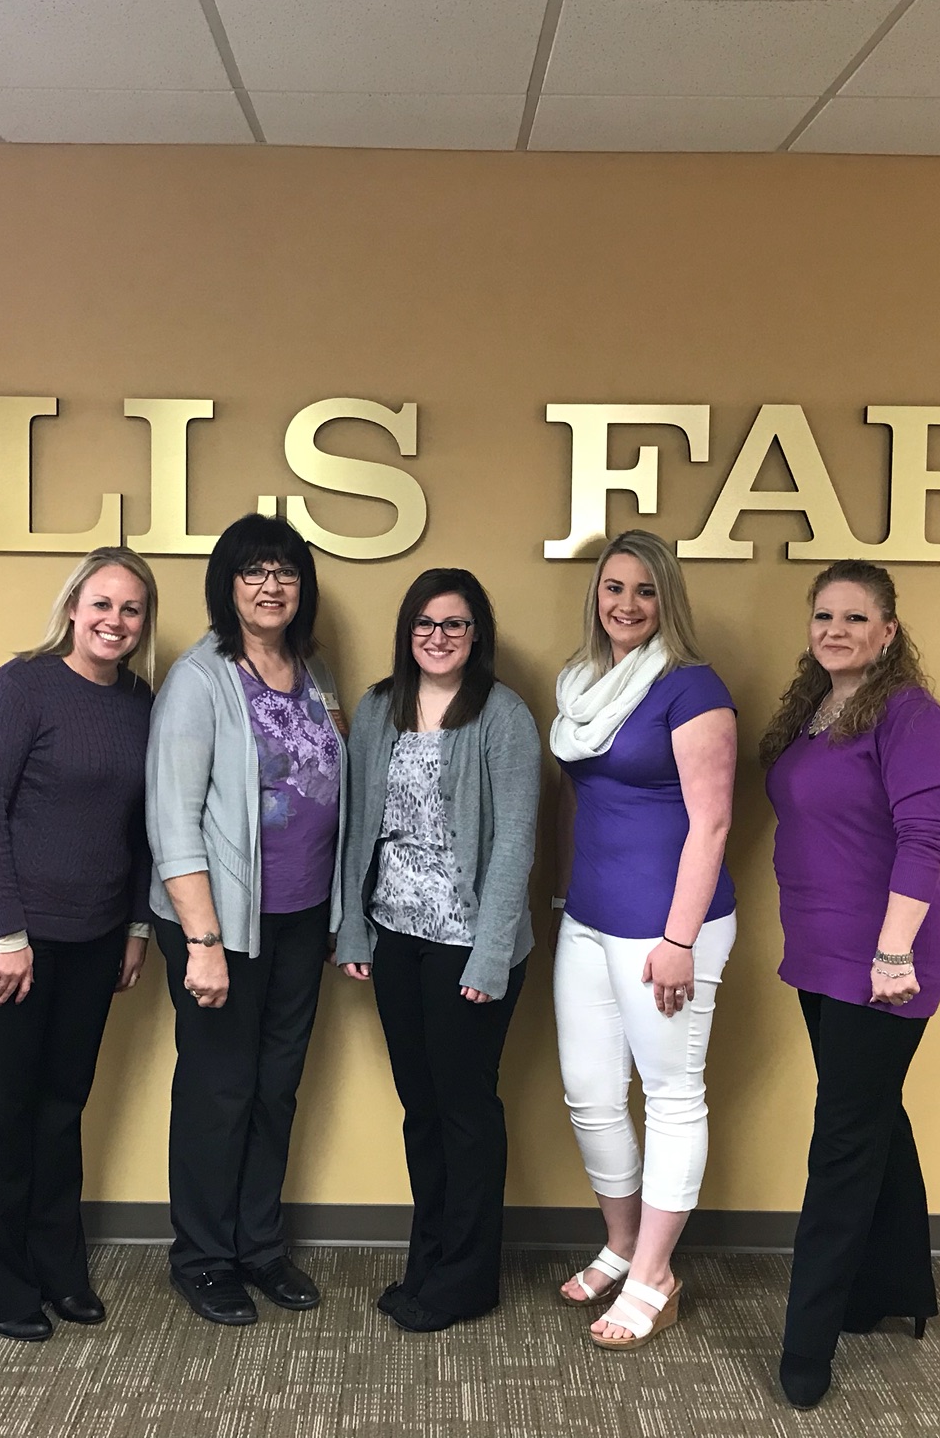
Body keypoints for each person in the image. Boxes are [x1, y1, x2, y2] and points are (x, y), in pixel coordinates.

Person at [761, 560, 940, 1411]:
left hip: (887, 960)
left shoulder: (914, 718)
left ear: (888, 631)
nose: (836, 630)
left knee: (843, 1140)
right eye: (824, 616)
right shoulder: (814, 712)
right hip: (820, 949)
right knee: (874, 1113)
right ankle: (895, 1286)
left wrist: (890, 955)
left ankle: (808, 1344)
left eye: (855, 617)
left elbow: (924, 840)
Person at [0, 546, 158, 1342]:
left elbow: (143, 828)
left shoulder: (139, 702)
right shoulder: (21, 686)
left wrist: (135, 926)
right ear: (73, 607)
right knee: (1, 1109)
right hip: (3, 937)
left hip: (95, 934)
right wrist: (8, 935)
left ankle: (56, 1269)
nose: (114, 621)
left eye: (131, 609)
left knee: (61, 1108)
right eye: (101, 604)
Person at [146, 513, 347, 1327]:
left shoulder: (313, 670)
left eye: (286, 572)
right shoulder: (199, 680)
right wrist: (203, 942)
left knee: (275, 1089)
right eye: (254, 571)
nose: (271, 586)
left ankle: (259, 1246)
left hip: (300, 919)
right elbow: (172, 818)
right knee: (218, 1091)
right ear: (227, 585)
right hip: (220, 925)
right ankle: (202, 1258)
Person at [335, 569, 540, 1333]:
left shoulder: (503, 715)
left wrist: (490, 957)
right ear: (407, 631)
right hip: (395, 937)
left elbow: (516, 842)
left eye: (455, 623)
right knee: (421, 1111)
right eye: (425, 623)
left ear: (477, 633)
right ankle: (428, 1261)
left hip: (467, 946)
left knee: (465, 1112)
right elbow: (358, 825)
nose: (439, 637)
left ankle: (467, 1279)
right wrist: (352, 927)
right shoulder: (378, 707)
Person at [550, 530, 737, 1350]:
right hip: (588, 919)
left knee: (670, 1095)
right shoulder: (584, 684)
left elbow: (713, 823)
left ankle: (656, 1274)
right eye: (613, 587)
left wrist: (680, 939)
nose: (626, 604)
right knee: (591, 1094)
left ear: (669, 600)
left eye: (645, 590)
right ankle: (623, 1244)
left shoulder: (692, 689)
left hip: (668, 929)